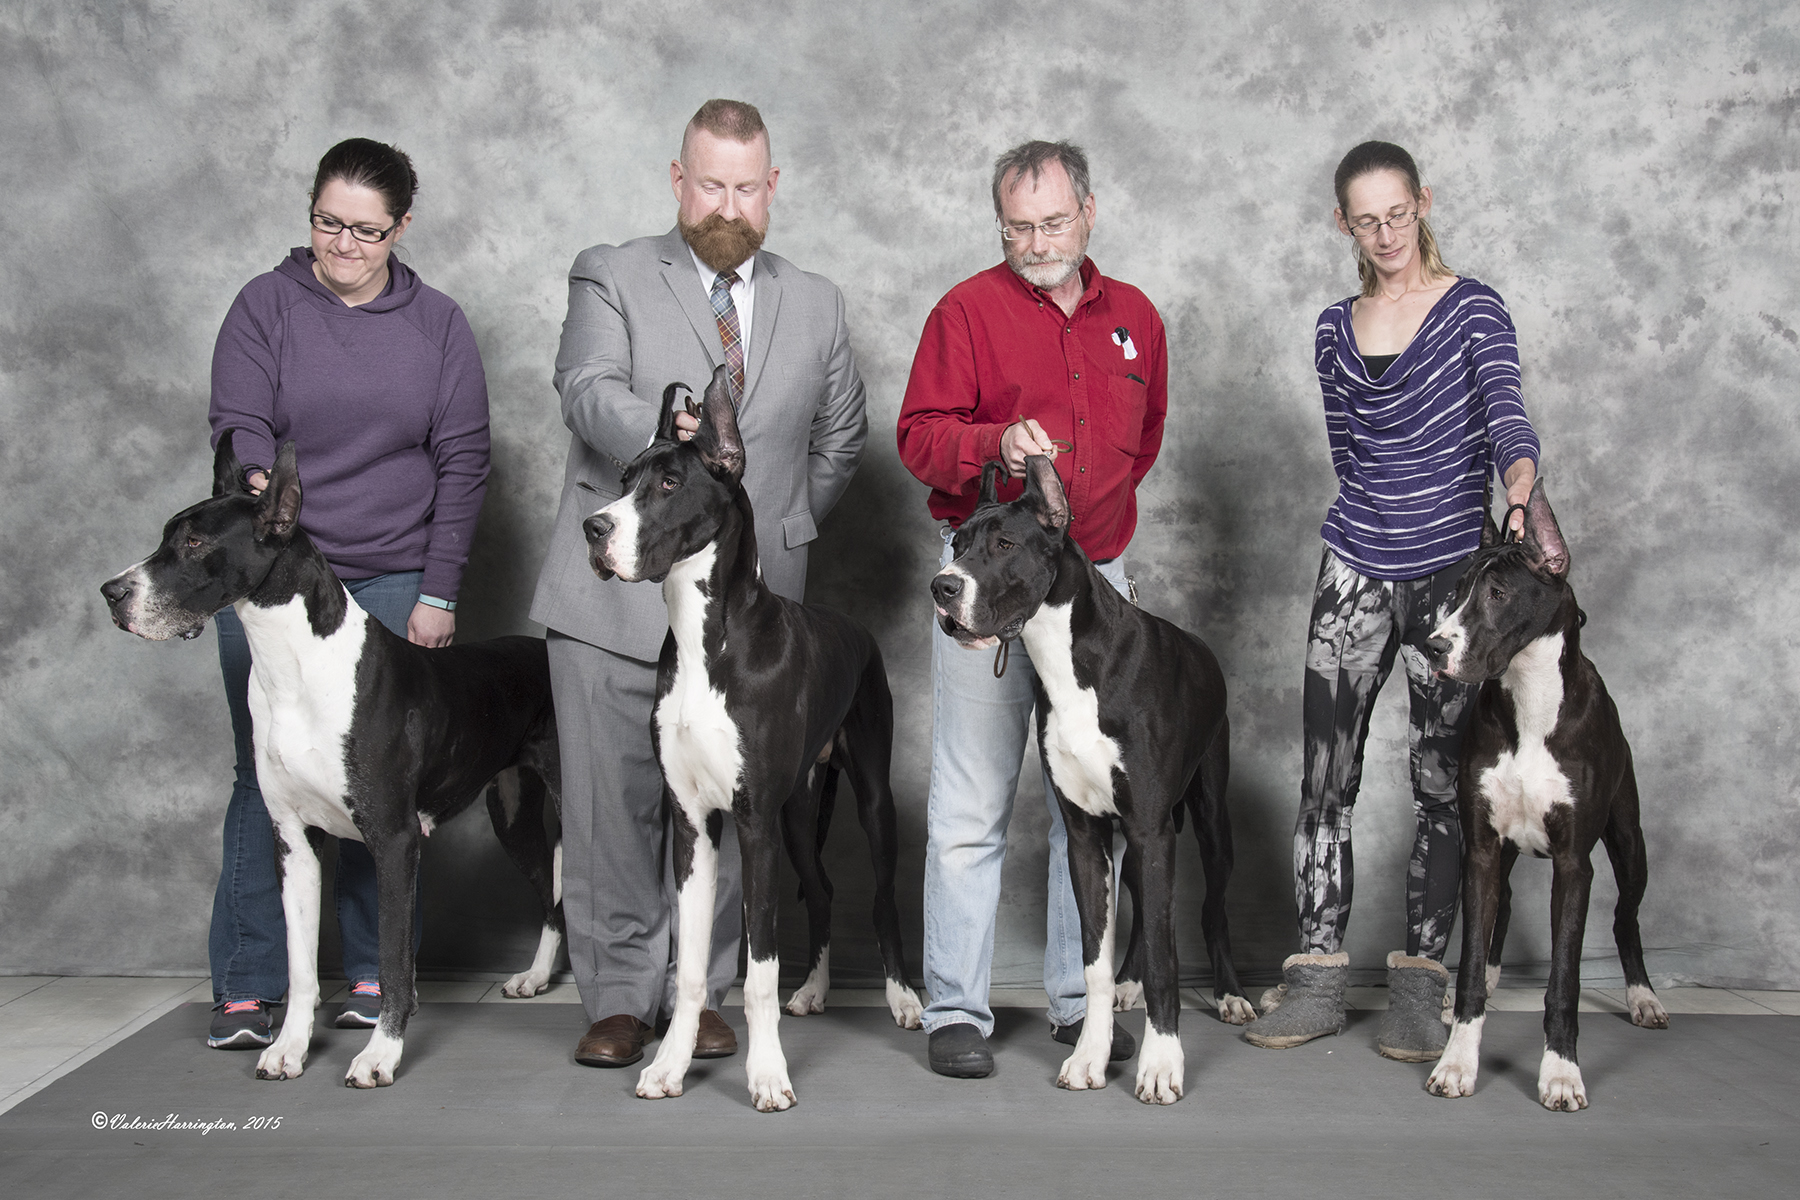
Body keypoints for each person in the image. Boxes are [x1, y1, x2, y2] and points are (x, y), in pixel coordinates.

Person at [529, 99, 867, 1070]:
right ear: (678, 180)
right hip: (608, 596)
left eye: (746, 186)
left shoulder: (818, 301)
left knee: (737, 802)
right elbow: (585, 385)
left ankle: (706, 994)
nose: (728, 203)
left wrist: (782, 529)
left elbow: (842, 436)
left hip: (746, 619)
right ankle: (619, 1000)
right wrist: (666, 447)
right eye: (709, 183)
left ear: (773, 189)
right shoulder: (613, 272)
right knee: (609, 806)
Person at [1243, 140, 1540, 1060]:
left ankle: (1422, 982)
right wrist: (1374, 542)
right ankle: (1316, 977)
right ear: (1343, 223)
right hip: (1353, 570)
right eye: (1366, 219)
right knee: (1324, 781)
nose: (1385, 234)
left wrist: (1520, 495)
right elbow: (1350, 454)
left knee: (1443, 783)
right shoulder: (1335, 328)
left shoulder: (1474, 309)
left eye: (1398, 214)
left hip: (1454, 575)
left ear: (1422, 204)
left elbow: (1507, 417)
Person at [205, 138, 492, 1049]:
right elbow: (240, 422)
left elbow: (463, 462)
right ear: (311, 214)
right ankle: (249, 986)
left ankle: (374, 975)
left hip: (392, 575)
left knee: (382, 785)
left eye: (368, 230)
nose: (346, 244)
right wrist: (259, 492)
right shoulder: (265, 305)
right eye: (330, 222)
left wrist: (438, 591)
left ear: (402, 228)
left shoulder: (438, 325)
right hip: (276, 583)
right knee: (270, 776)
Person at [896, 140, 1169, 1078]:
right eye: (1018, 227)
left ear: (1089, 212)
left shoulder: (1135, 317)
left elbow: (1148, 433)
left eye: (1054, 222)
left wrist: (1100, 542)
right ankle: (957, 1012)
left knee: (1086, 807)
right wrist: (992, 444)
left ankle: (1073, 1002)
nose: (1038, 241)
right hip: (988, 577)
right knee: (973, 802)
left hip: (1098, 592)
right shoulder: (964, 312)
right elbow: (917, 438)